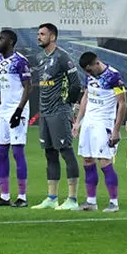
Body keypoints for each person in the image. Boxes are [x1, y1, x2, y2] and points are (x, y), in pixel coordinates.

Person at [32, 22, 83, 210]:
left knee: (66, 152)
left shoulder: (63, 57)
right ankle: (52, 198)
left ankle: (72, 199)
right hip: (44, 112)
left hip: (59, 112)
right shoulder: (39, 57)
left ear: (52, 37)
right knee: (49, 153)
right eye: (38, 34)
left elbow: (76, 84)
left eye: (42, 34)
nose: (39, 37)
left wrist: (67, 104)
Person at [74, 51, 127, 212]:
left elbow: (122, 104)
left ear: (97, 63)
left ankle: (114, 202)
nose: (88, 73)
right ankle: (91, 201)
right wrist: (78, 122)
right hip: (88, 123)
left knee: (104, 161)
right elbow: (86, 96)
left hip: (103, 124)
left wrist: (116, 130)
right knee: (87, 160)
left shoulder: (113, 76)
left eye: (90, 70)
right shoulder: (90, 75)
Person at [0, 29, 32, 207]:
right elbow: (2, 88)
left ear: (11, 42)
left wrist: (19, 110)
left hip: (16, 111)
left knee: (17, 152)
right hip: (3, 112)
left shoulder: (20, 61)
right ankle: (4, 196)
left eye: (1, 39)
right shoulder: (0, 62)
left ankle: (22, 196)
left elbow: (28, 87)